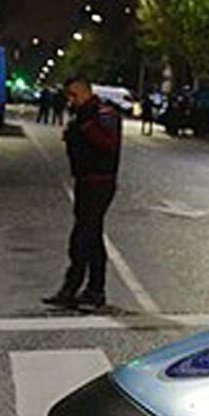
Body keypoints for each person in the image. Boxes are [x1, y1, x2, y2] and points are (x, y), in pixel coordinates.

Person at [43, 76, 122, 309]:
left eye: (74, 95)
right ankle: (95, 291)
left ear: (86, 92)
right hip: (85, 181)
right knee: (93, 238)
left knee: (82, 238)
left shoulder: (103, 113)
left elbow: (108, 143)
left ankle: (71, 288)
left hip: (100, 182)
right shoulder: (81, 115)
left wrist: (84, 128)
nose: (70, 100)